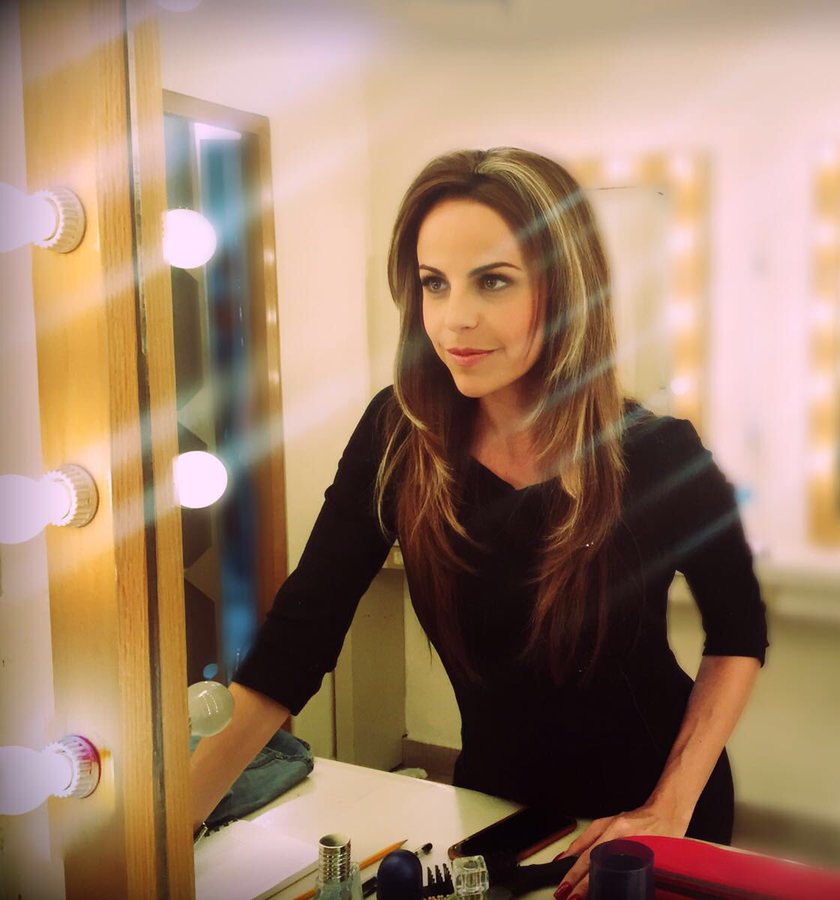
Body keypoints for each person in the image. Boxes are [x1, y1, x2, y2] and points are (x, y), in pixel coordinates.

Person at [189, 147, 767, 899]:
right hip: (494, 802)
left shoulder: (658, 454)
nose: (454, 318)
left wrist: (670, 807)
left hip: (647, 813)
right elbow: (299, 635)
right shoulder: (399, 437)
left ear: (566, 290)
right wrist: (168, 825)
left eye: (493, 280)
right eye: (434, 282)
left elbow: (738, 633)